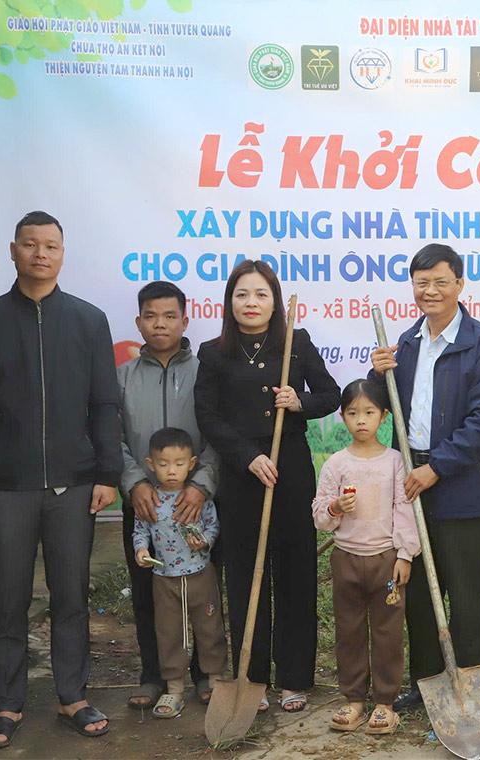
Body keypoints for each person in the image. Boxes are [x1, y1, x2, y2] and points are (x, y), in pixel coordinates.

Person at [0, 211, 119, 748]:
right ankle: (6, 704)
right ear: (13, 250)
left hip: (74, 485)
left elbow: (104, 403)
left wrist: (107, 472)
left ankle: (73, 696)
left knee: (71, 595)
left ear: (62, 254)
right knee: (9, 598)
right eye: (30, 244)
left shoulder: (88, 321)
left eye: (50, 245)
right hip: (5, 488)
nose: (40, 254)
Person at [368, 243, 480, 713]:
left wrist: (437, 467)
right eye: (421, 283)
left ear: (460, 284)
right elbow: (383, 405)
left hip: (463, 483)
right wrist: (377, 374)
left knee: (466, 593)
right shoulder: (407, 344)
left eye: (440, 282)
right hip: (412, 479)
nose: (430, 291)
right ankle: (427, 682)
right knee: (418, 594)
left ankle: (471, 685)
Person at [195, 260, 340, 714]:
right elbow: (208, 416)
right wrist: (246, 456)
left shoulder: (296, 343)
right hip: (242, 475)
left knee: (295, 571)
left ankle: (294, 678)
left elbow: (330, 395)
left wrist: (299, 401)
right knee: (244, 573)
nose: (251, 302)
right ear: (229, 302)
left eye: (260, 294)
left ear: (274, 301)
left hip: (290, 469)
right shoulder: (213, 352)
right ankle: (252, 676)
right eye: (242, 294)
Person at [117, 280, 221, 710]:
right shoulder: (122, 377)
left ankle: (205, 675)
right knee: (149, 594)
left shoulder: (205, 373)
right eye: (151, 316)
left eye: (169, 316)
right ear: (138, 321)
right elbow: (112, 438)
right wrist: (135, 483)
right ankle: (154, 676)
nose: (159, 324)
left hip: (196, 504)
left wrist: (201, 485)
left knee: (203, 597)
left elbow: (218, 436)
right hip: (145, 505)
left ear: (185, 320)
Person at [312, 380, 420, 735]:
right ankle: (354, 699)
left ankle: (385, 702)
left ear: (384, 416)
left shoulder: (395, 462)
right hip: (346, 558)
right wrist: (335, 507)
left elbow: (405, 509)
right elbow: (320, 515)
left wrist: (405, 554)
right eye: (353, 413)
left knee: (388, 632)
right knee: (349, 630)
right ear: (342, 417)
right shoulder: (335, 464)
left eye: (369, 412)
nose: (361, 420)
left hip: (385, 559)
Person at [132, 427, 226, 719]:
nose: (171, 471)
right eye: (163, 464)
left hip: (200, 575)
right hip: (165, 580)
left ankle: (215, 681)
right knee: (169, 633)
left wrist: (205, 541)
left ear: (192, 463)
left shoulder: (199, 499)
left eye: (179, 464)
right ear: (151, 464)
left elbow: (213, 526)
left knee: (210, 628)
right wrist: (141, 550)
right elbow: (140, 530)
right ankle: (174, 689)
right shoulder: (150, 500)